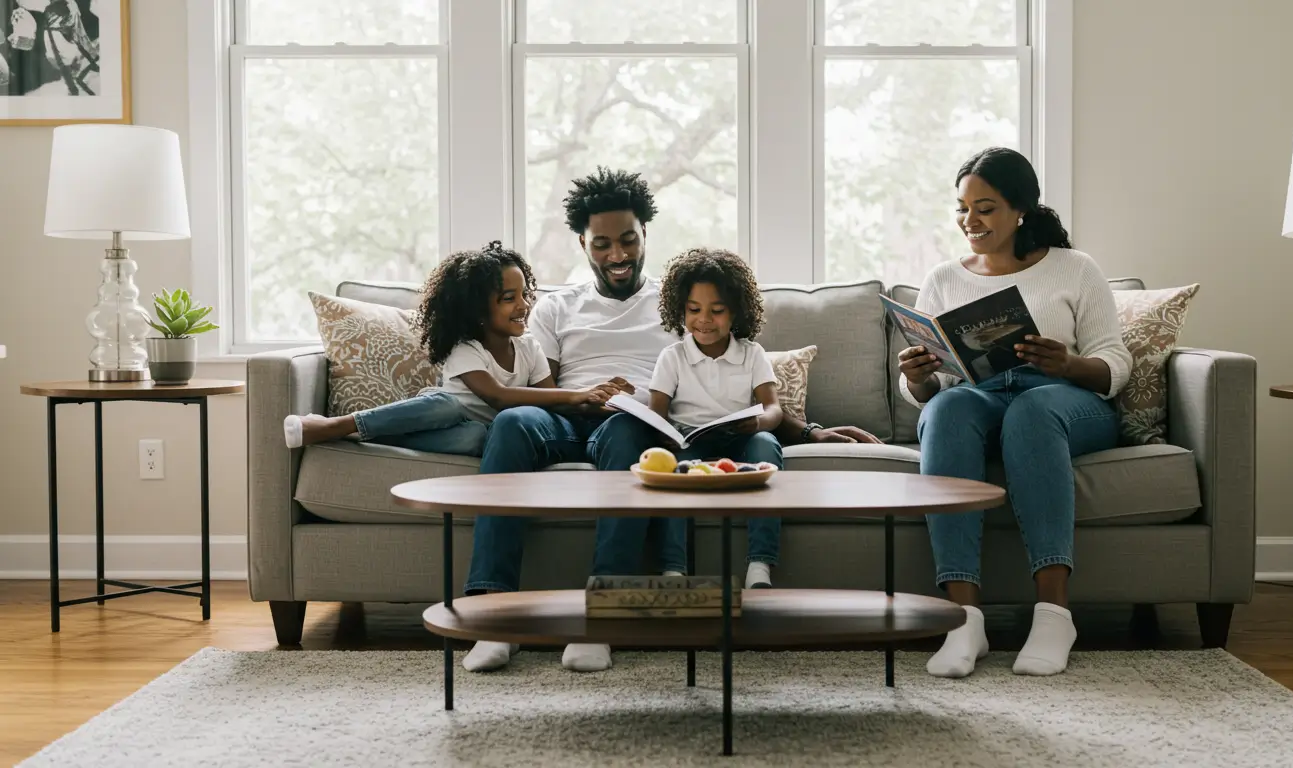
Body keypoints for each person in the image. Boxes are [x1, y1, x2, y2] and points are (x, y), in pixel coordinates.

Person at [463, 166, 882, 675]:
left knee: (627, 432)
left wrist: (810, 431)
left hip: (638, 425)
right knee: (511, 424)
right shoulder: (557, 307)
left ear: (644, 234)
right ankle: (490, 613)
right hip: (569, 417)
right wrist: (584, 397)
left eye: (627, 240)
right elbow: (543, 389)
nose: (616, 254)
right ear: (582, 243)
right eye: (601, 244)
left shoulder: (677, 303)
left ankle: (604, 618)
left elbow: (736, 383)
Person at [897, 147, 1132, 678]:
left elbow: (1117, 363)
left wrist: (1070, 364)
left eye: (985, 208)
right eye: (961, 208)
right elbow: (931, 388)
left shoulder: (1074, 268)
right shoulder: (943, 278)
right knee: (947, 410)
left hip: (1064, 399)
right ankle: (964, 619)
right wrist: (918, 377)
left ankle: (1053, 615)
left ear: (1020, 208)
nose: (969, 221)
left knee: (1031, 408)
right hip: (981, 394)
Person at [282, 242, 620, 453]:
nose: (524, 305)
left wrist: (600, 405)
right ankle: (337, 425)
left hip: (474, 431)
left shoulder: (529, 348)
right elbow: (498, 397)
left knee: (478, 438)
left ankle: (365, 436)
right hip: (437, 414)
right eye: (508, 298)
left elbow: (553, 402)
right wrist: (575, 393)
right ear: (476, 309)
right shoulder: (466, 347)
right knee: (445, 404)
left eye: (525, 295)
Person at [649, 247, 785, 590]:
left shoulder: (752, 353)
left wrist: (756, 424)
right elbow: (656, 414)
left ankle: (760, 566)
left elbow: (773, 409)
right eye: (694, 310)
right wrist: (665, 435)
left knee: (766, 446)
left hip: (740, 438)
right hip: (687, 440)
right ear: (679, 309)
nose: (704, 320)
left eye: (717, 311)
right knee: (669, 471)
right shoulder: (673, 357)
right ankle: (673, 570)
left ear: (736, 312)